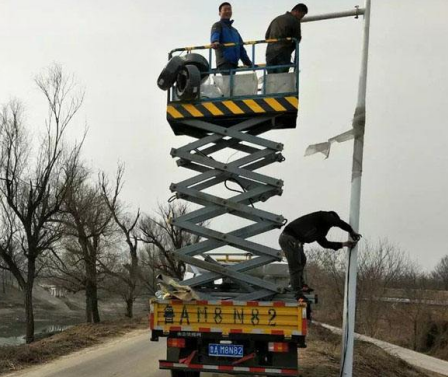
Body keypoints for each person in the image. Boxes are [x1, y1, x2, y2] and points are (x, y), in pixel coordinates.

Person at [279, 211, 362, 299]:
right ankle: (296, 292)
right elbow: (337, 222)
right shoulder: (323, 216)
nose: (331, 225)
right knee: (295, 265)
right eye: (332, 223)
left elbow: (325, 244)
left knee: (302, 260)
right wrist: (351, 231)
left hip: (295, 240)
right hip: (288, 238)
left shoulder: (321, 230)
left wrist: (344, 244)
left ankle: (299, 284)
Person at [210, 2, 253, 75]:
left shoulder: (235, 31)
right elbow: (215, 34)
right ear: (220, 13)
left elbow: (241, 48)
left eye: (229, 9)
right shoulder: (218, 25)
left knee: (231, 84)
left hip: (234, 63)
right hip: (224, 62)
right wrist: (215, 42)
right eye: (225, 10)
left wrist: (248, 63)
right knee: (228, 83)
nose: (227, 11)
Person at [265, 3, 308, 73]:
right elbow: (297, 39)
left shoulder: (276, 19)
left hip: (270, 53)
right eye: (302, 16)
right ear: (298, 12)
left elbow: (267, 36)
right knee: (282, 79)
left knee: (271, 78)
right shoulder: (294, 21)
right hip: (283, 53)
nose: (301, 18)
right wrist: (289, 50)